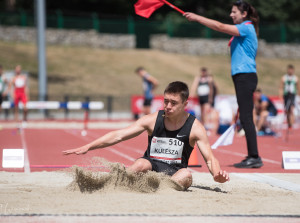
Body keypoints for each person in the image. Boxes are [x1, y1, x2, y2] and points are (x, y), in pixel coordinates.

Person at [63, 81, 230, 189]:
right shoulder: (152, 120)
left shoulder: (195, 127)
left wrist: (216, 174)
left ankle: (159, 189)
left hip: (175, 173)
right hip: (151, 166)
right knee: (140, 163)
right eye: (166, 101)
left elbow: (209, 157)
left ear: (185, 104)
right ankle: (117, 184)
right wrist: (88, 146)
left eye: (173, 103)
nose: (168, 106)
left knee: (187, 174)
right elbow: (119, 135)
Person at [184, 1, 263, 168]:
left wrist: (198, 17)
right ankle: (252, 155)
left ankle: (254, 156)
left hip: (245, 76)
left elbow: (220, 26)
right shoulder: (244, 29)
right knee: (245, 116)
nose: (231, 15)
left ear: (244, 14)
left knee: (246, 116)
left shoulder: (246, 27)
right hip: (242, 76)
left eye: (234, 12)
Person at [279, 64, 299, 129]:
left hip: (293, 95)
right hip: (286, 95)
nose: (290, 71)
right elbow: (281, 88)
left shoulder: (296, 78)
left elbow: (298, 88)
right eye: (289, 70)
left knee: (292, 109)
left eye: (291, 70)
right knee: (287, 110)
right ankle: (289, 124)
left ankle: (291, 124)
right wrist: (281, 96)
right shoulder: (284, 78)